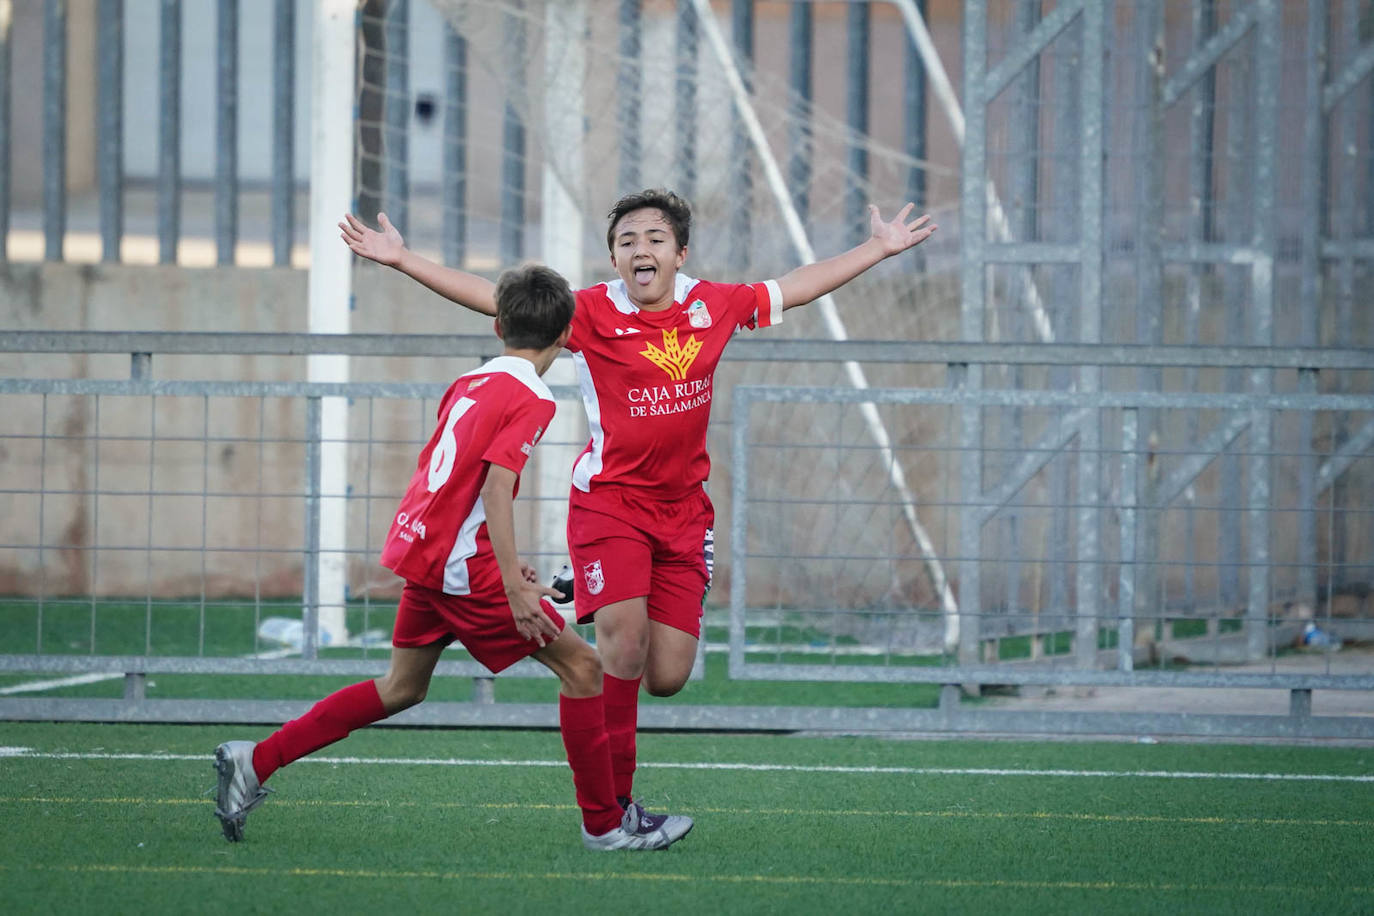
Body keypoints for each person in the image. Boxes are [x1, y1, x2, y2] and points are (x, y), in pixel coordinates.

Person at [340, 189, 936, 810]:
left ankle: (594, 595)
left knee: (667, 676)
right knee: (620, 650)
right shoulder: (589, 311)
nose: (640, 249)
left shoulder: (716, 304)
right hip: (609, 503)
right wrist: (404, 260)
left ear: (680, 253)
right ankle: (617, 810)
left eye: (653, 239)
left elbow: (797, 285)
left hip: (684, 515)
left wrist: (876, 248)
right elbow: (498, 300)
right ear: (615, 260)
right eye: (626, 242)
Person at [212, 263, 692, 852]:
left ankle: (255, 760)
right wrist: (512, 586)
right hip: (465, 571)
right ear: (569, 336)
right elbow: (494, 484)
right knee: (585, 669)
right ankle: (604, 825)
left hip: (429, 555)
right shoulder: (535, 398)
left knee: (401, 687)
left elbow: (449, 477)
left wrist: (501, 560)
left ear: (497, 328)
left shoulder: (470, 382)